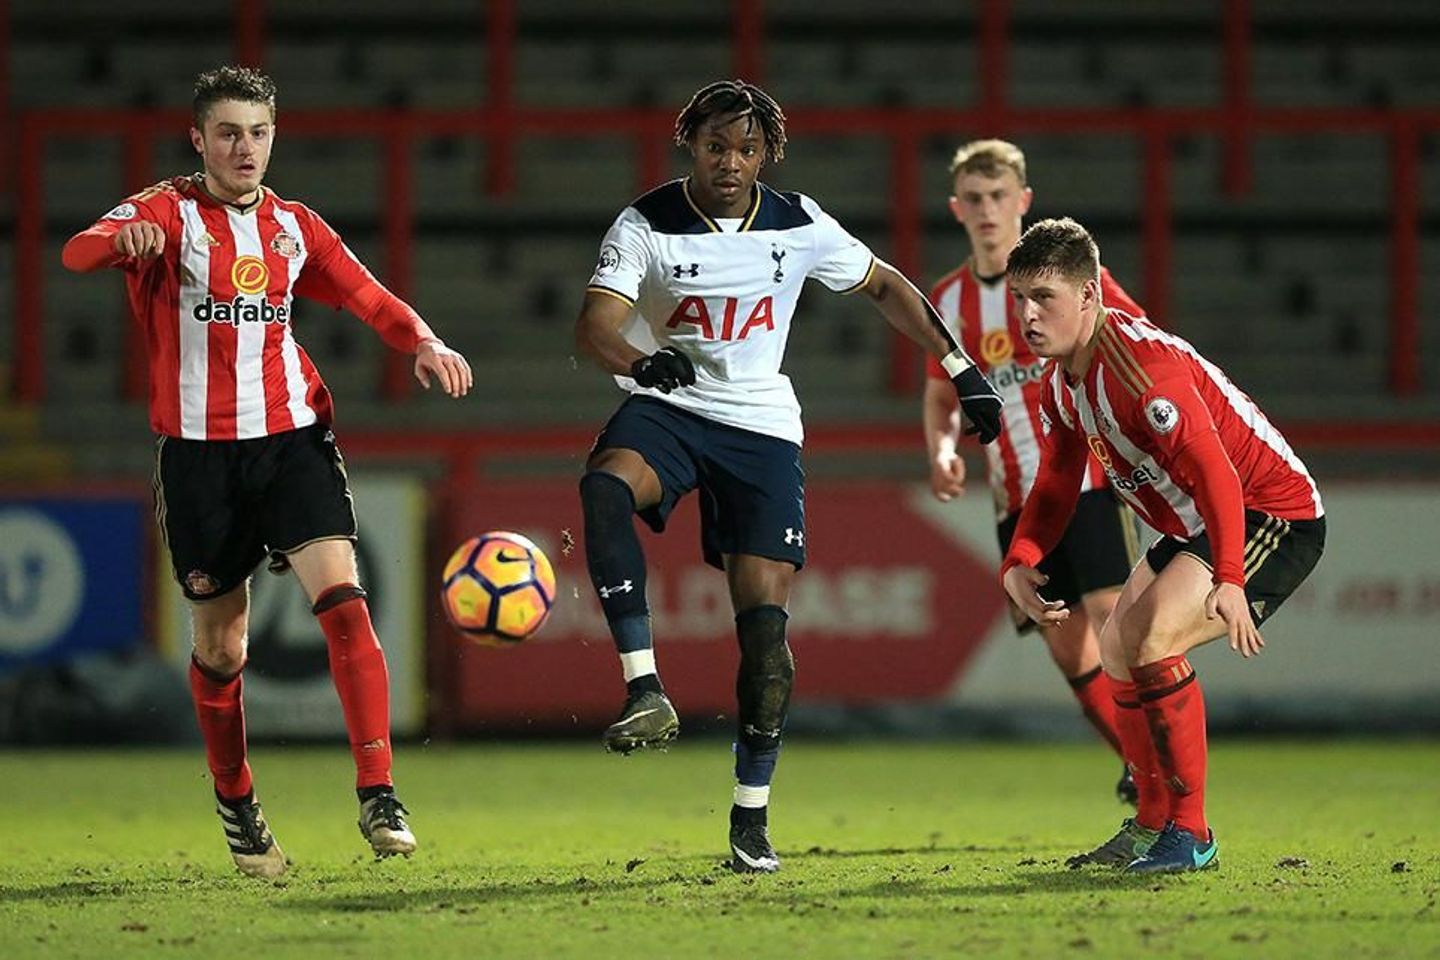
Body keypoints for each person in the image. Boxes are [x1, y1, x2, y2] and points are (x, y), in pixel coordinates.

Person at [574, 79, 1003, 874]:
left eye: (745, 148)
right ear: (689, 146)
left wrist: (960, 365)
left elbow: (883, 284)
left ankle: (751, 816)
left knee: (765, 633)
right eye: (714, 147)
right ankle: (644, 689)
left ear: (767, 151)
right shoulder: (645, 222)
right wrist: (643, 362)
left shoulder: (799, 222)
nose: (729, 162)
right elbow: (595, 325)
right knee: (604, 487)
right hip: (669, 402)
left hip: (761, 429)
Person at [61, 66, 473, 879]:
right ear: (198, 139)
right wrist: (123, 242)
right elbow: (77, 252)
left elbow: (368, 297)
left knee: (344, 600)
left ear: (273, 136)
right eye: (228, 133)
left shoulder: (293, 227)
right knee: (222, 648)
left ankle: (379, 790)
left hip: (292, 439)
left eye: (257, 133)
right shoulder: (164, 211)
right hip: (199, 459)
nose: (244, 148)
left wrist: (423, 340)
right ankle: (238, 801)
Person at [999, 217, 1325, 873]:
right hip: (1192, 526)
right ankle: (1151, 825)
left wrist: (1230, 578)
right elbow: (1058, 481)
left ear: (1089, 297)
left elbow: (1218, 478)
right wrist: (1021, 558)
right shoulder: (1059, 381)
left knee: (1151, 641)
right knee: (1117, 645)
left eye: (1045, 298)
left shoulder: (1141, 370)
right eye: (1019, 299)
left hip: (1271, 514)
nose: (1028, 316)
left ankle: (1192, 833)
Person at [921, 140, 1146, 805]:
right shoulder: (950, 299)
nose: (987, 211)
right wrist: (940, 449)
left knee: (1114, 620)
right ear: (957, 209)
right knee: (1066, 646)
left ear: (1023, 203)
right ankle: (1140, 764)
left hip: (1088, 481)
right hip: (1012, 497)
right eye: (974, 199)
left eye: (999, 197)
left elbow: (1137, 340)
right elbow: (940, 393)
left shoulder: (1076, 279)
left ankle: (1163, 768)